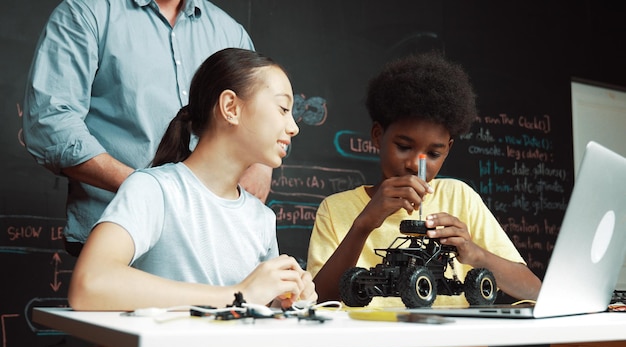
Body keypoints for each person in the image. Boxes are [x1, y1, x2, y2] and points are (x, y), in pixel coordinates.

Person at [68, 48, 316, 311]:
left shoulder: (262, 218)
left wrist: (282, 301)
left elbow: (255, 306)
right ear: (231, 107)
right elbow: (89, 284)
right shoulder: (153, 190)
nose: (294, 127)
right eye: (283, 108)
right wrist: (238, 294)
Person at [22, 0, 272, 257]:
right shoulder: (86, 12)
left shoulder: (230, 32)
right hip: (121, 239)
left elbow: (260, 115)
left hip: (215, 244)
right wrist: (149, 192)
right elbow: (51, 123)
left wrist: (261, 167)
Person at [306, 52, 542, 307]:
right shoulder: (335, 209)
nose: (415, 164)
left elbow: (535, 291)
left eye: (433, 154)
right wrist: (363, 224)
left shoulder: (459, 197)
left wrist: (474, 253)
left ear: (448, 150)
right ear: (377, 135)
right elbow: (317, 302)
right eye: (404, 146)